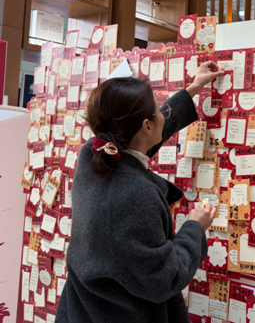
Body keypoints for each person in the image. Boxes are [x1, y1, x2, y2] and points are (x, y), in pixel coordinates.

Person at [55, 61, 224, 323]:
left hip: (83, 310)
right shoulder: (135, 194)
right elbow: (165, 277)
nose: (162, 115)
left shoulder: (94, 154)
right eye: (158, 110)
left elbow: (140, 141)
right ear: (146, 126)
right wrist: (194, 228)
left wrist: (193, 88)